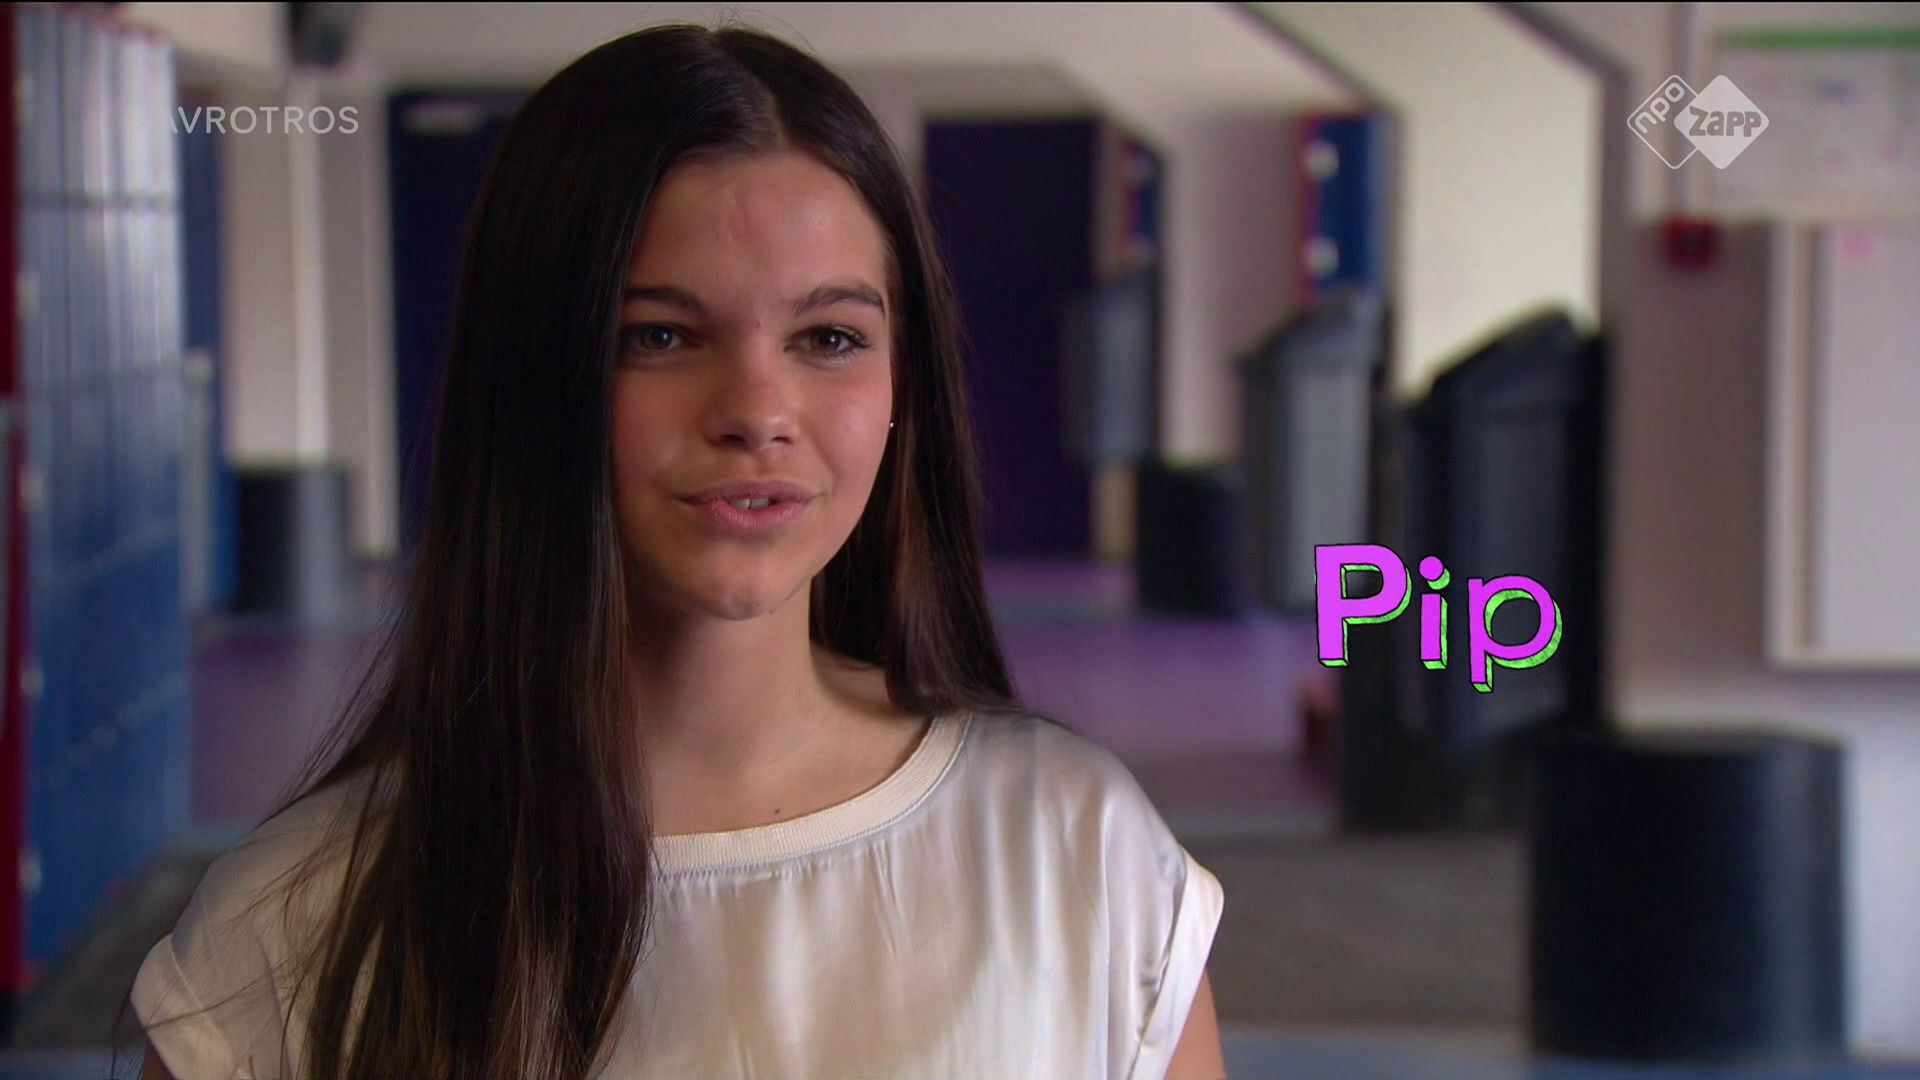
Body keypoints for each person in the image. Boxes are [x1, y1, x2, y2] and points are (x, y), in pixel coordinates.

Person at [130, 22, 1225, 1080]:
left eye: (829, 337)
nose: (758, 410)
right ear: (535, 379)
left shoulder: (1077, 854)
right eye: (659, 335)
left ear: (906, 386)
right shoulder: (294, 932)